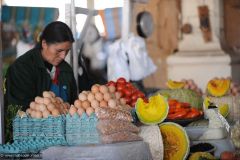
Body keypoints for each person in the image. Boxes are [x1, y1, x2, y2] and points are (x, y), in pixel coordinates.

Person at [4, 21, 79, 110]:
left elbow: (74, 104)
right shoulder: (21, 68)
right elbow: (18, 111)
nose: (63, 56)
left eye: (67, 51)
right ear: (44, 44)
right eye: (59, 51)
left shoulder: (66, 70)